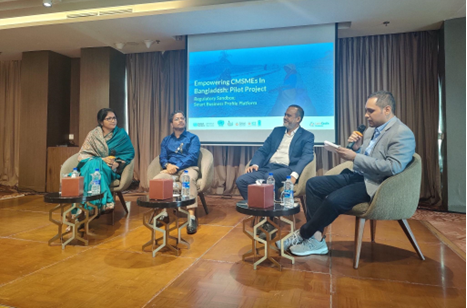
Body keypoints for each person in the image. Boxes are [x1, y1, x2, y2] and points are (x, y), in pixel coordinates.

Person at [280, 91, 416, 256]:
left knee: (333, 200)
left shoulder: (402, 133)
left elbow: (393, 167)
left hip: (375, 184)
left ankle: (303, 233)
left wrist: (356, 156)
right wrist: (358, 148)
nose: (366, 115)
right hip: (357, 176)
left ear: (387, 109)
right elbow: (369, 156)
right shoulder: (371, 130)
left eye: (370, 111)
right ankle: (316, 240)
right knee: (313, 184)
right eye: (366, 110)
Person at [236, 105, 315, 201]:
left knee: (269, 177)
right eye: (285, 115)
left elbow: (307, 156)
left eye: (288, 115)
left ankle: (272, 212)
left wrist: (294, 175)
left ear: (298, 119)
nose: (285, 117)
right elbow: (263, 149)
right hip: (268, 167)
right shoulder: (277, 131)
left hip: (286, 169)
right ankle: (257, 207)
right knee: (242, 180)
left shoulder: (307, 136)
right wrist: (255, 164)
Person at [77, 108, 135, 213]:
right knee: (94, 164)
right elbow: (84, 154)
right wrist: (102, 159)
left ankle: (85, 209)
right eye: (109, 118)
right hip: (94, 165)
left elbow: (129, 153)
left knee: (94, 167)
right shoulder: (93, 135)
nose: (113, 121)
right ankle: (105, 201)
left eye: (114, 118)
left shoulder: (121, 135)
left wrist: (117, 163)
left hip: (110, 168)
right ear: (101, 122)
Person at [153, 111, 201, 235]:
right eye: (177, 119)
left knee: (188, 179)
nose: (180, 120)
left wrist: (177, 167)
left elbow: (192, 156)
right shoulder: (166, 140)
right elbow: (162, 157)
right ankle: (164, 213)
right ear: (171, 124)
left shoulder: (193, 138)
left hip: (188, 167)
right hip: (170, 169)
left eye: (182, 118)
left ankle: (191, 217)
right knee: (158, 180)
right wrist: (167, 165)